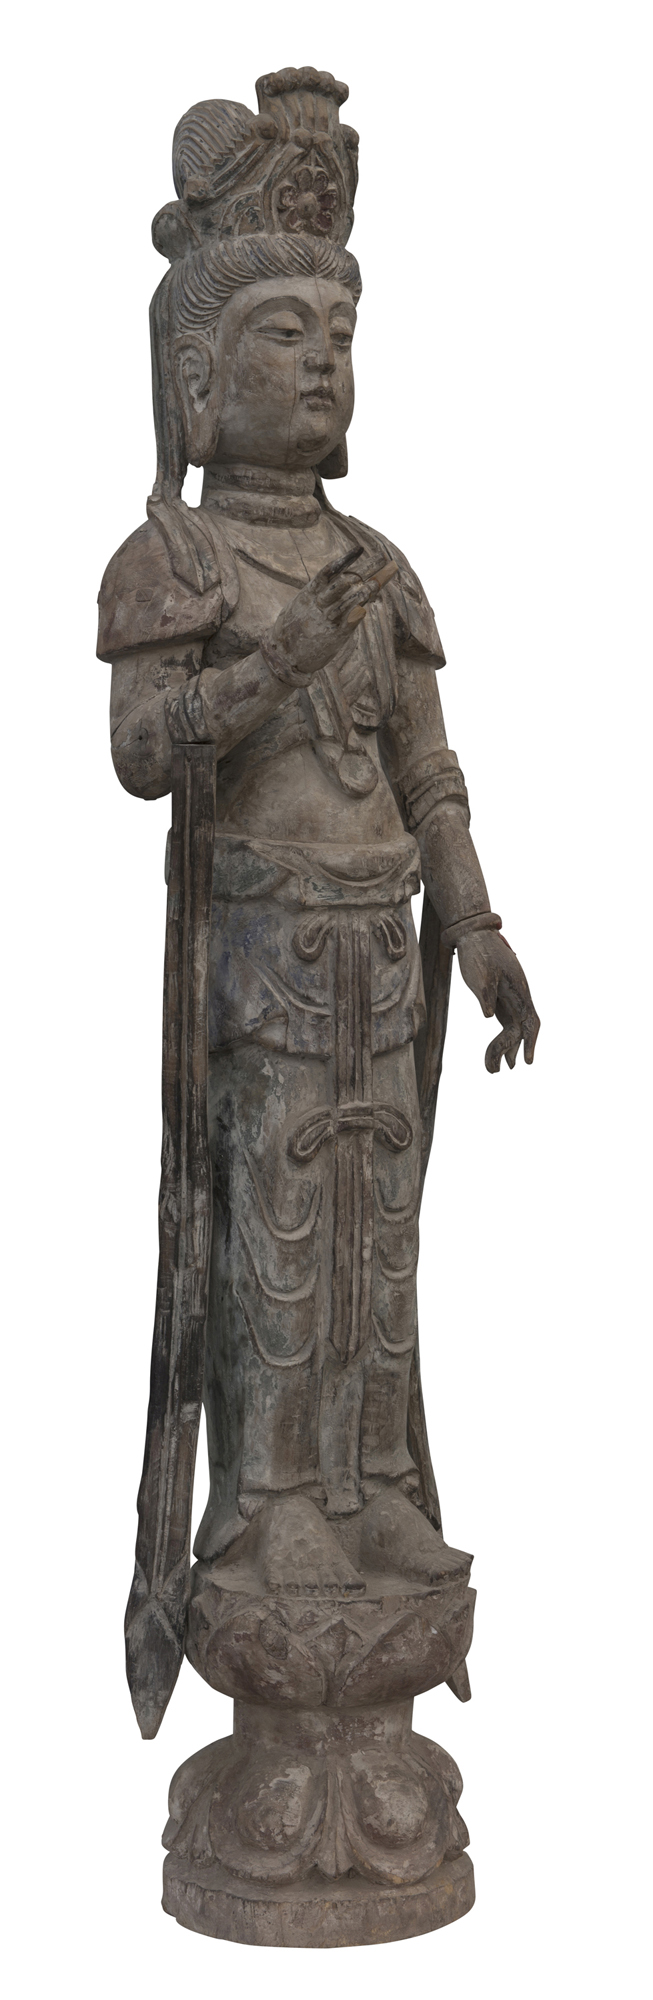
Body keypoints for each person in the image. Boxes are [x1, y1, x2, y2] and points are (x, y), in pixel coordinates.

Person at [99, 73, 539, 1602]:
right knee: (276, 1228)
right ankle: (272, 1500)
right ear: (198, 379)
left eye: (339, 338)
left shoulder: (377, 565)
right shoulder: (175, 557)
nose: (321, 366)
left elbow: (427, 767)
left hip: (381, 947)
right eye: (284, 335)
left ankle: (375, 1490)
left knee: (377, 1231)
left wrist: (473, 923)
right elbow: (141, 754)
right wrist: (268, 667)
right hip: (261, 953)